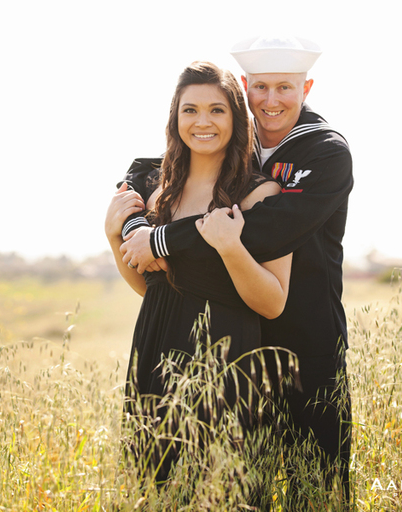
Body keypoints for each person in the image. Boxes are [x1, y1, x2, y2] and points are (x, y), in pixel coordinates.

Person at [116, 36, 354, 509]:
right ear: (245, 88)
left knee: (315, 486)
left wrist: (159, 239)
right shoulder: (229, 147)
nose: (271, 100)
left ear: (306, 88)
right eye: (260, 87)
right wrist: (129, 224)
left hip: (303, 336)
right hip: (230, 336)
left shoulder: (324, 153)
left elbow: (263, 230)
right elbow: (146, 173)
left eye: (285, 87)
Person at [104, 61, 292, 489]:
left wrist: (230, 247)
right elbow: (153, 288)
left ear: (237, 118)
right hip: (155, 351)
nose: (202, 122)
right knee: (153, 488)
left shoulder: (260, 194)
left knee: (222, 489)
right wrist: (115, 238)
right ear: (175, 117)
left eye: (216, 110)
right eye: (190, 110)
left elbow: (273, 301)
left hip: (226, 361)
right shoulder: (158, 192)